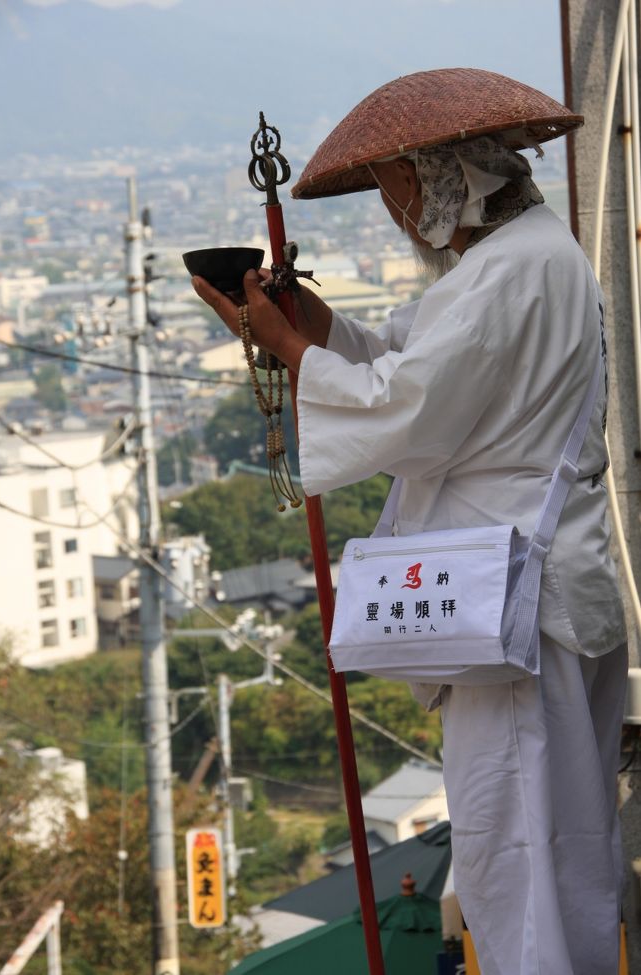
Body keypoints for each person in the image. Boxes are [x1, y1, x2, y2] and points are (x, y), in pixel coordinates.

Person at [192, 69, 628, 975]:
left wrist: (283, 345)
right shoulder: (519, 260)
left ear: (445, 178)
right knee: (558, 837)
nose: (397, 211)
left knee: (516, 845)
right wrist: (313, 327)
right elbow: (411, 359)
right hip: (538, 587)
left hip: (516, 607)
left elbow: (414, 411)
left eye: (398, 187)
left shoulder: (509, 272)